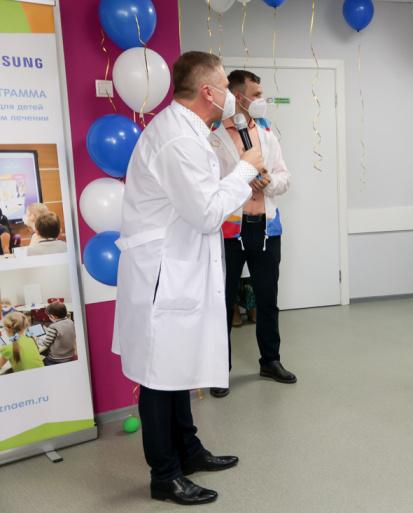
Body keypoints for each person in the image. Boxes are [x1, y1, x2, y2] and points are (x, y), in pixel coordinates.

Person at [112, 51, 264, 506]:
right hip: (163, 275)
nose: (231, 96)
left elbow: (202, 197)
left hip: (177, 268)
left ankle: (188, 450)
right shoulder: (177, 138)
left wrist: (238, 168)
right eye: (225, 87)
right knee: (160, 377)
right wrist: (246, 168)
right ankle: (165, 474)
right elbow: (205, 212)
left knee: (176, 368)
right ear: (208, 92)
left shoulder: (191, 130)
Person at [209, 70, 296, 398]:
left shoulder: (267, 132)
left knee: (268, 299)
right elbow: (208, 186)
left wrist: (268, 183)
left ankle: (270, 361)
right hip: (230, 230)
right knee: (223, 302)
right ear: (238, 97)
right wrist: (242, 181)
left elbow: (285, 177)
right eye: (256, 94)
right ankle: (219, 371)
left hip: (266, 228)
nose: (261, 99)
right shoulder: (214, 137)